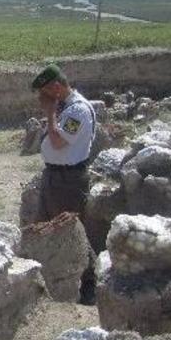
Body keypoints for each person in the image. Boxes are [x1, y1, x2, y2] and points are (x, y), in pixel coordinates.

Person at [32, 64, 96, 222]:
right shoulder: (66, 107)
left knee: (63, 228)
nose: (42, 97)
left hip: (68, 180)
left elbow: (58, 142)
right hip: (54, 176)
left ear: (56, 87)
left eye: (44, 92)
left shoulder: (78, 111)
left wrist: (50, 112)